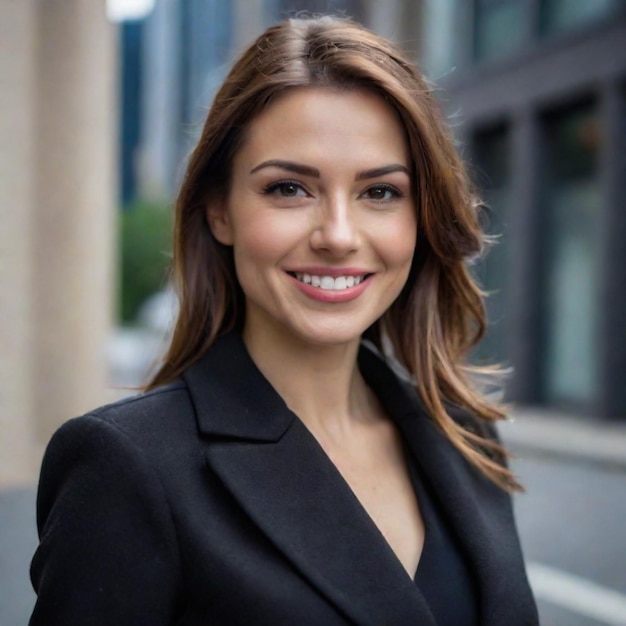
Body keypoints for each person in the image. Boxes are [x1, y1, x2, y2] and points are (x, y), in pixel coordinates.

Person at [29, 15, 538, 626]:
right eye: (290, 188)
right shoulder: (128, 466)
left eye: (380, 193)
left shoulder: (466, 436)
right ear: (220, 211)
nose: (339, 237)